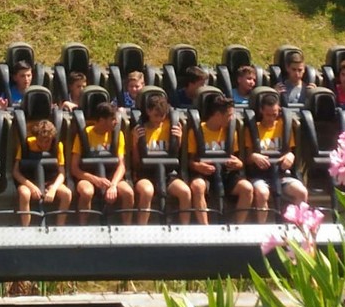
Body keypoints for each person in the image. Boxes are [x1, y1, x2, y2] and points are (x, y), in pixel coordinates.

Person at [186, 95, 253, 224]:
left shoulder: (230, 132)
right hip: (205, 173)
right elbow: (189, 161)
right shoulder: (197, 131)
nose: (232, 118)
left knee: (247, 188)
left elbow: (237, 159)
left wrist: (239, 164)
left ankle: (237, 226)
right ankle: (205, 227)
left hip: (225, 173)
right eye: (229, 115)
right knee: (198, 186)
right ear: (217, 114)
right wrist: (197, 166)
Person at [245, 91, 308, 221]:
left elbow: (289, 151)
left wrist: (290, 156)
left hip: (280, 174)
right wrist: (254, 157)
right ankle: (262, 227)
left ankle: (300, 225)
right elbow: (247, 158)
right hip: (260, 175)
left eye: (274, 114)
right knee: (263, 193)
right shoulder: (252, 128)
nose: (271, 118)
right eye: (268, 115)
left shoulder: (284, 127)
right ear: (261, 111)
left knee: (301, 192)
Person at [131, 93, 193, 224]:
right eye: (156, 115)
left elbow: (176, 156)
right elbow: (135, 162)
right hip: (145, 174)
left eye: (162, 116)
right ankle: (142, 228)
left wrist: (178, 140)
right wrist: (135, 143)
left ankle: (185, 228)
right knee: (147, 191)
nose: (159, 119)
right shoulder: (140, 130)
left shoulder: (170, 128)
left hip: (168, 174)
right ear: (148, 111)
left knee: (185, 192)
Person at [70, 102, 135, 222]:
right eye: (113, 119)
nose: (116, 122)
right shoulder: (84, 135)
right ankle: (83, 226)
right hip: (88, 176)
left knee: (128, 193)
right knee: (86, 192)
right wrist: (96, 180)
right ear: (102, 120)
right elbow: (74, 168)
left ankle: (127, 227)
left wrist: (113, 185)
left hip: (111, 176)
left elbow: (121, 165)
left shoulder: (118, 135)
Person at [13, 118, 72, 226]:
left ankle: (60, 226)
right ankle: (26, 228)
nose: (44, 144)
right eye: (40, 141)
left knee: (67, 194)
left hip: (50, 181)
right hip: (29, 181)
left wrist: (53, 188)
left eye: (47, 141)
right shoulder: (26, 144)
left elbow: (62, 173)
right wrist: (32, 186)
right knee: (24, 193)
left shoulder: (58, 146)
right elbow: (16, 172)